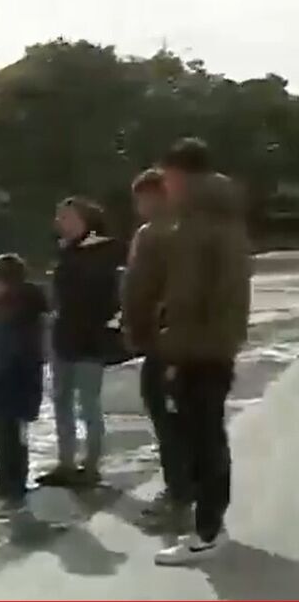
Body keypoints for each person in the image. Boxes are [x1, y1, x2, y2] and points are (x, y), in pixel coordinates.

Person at [150, 138, 251, 566]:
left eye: (167, 178)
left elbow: (189, 295)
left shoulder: (198, 223)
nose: (165, 187)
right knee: (207, 436)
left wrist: (170, 343)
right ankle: (211, 525)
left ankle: (207, 532)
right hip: (215, 344)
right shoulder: (224, 219)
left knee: (202, 439)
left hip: (199, 347)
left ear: (181, 176)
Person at [121, 168, 191, 529]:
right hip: (154, 342)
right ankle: (178, 491)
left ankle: (181, 498)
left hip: (172, 344)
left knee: (173, 423)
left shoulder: (178, 234)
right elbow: (138, 286)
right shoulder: (147, 234)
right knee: (165, 421)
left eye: (145, 197)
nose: (140, 206)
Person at [41, 197, 126, 488]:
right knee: (61, 400)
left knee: (88, 402)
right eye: (58, 218)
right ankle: (66, 463)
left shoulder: (106, 250)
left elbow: (115, 294)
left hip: (91, 337)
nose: (59, 223)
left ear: (83, 219)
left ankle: (91, 464)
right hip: (63, 335)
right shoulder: (66, 251)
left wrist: (111, 325)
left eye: (65, 217)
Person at [0, 254, 49, 517]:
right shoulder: (3, 308)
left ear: (5, 283)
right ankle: (3, 484)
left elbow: (21, 353)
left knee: (14, 440)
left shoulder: (22, 312)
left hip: (14, 386)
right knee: (1, 437)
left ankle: (15, 489)